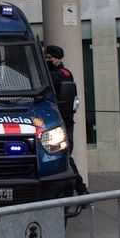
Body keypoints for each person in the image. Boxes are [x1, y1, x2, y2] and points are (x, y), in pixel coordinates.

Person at [44, 46, 90, 196]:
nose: (47, 60)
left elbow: (51, 79)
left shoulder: (63, 73)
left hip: (64, 122)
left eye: (50, 58)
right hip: (53, 122)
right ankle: (80, 189)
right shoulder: (50, 73)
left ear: (58, 59)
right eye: (45, 58)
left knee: (65, 155)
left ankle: (80, 188)